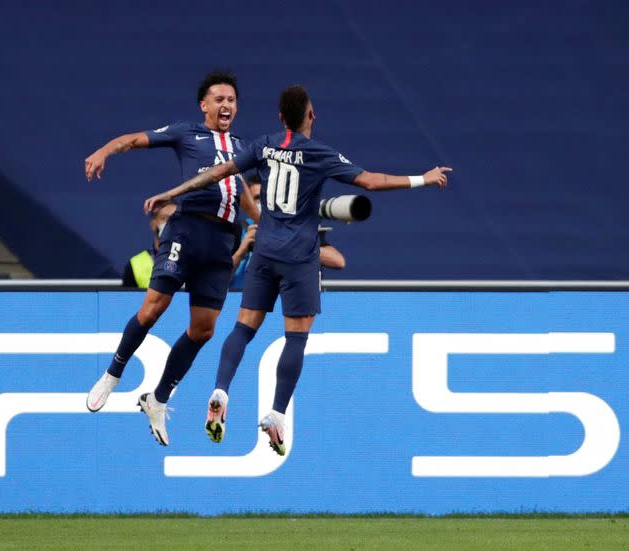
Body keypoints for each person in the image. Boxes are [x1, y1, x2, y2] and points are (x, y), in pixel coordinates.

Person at [144, 85, 451, 454]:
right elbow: (371, 181)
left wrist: (174, 192)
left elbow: (218, 172)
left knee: (243, 328)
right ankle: (275, 413)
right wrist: (423, 178)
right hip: (299, 257)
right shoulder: (319, 153)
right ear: (311, 116)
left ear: (279, 118)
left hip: (264, 252)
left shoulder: (263, 145)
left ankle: (221, 389)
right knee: (296, 337)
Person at [84, 71, 259, 447]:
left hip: (222, 240)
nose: (226, 105)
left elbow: (241, 192)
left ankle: (158, 398)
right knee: (152, 308)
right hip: (186, 229)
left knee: (203, 330)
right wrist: (104, 151)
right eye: (219, 99)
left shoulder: (244, 147)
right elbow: (133, 139)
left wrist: (265, 223)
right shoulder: (187, 133)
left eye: (231, 99)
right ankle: (113, 374)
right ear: (204, 105)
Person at [230, 176, 344, 290]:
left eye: (267, 196)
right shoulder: (237, 230)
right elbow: (220, 277)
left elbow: (338, 261)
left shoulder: (295, 227)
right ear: (247, 201)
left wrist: (290, 244)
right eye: (258, 198)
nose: (263, 202)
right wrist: (241, 251)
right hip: (239, 301)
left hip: (286, 300)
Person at [122, 201, 176, 288]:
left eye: (174, 218)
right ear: (153, 224)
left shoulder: (194, 261)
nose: (170, 223)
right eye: (164, 218)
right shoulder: (136, 264)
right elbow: (127, 300)